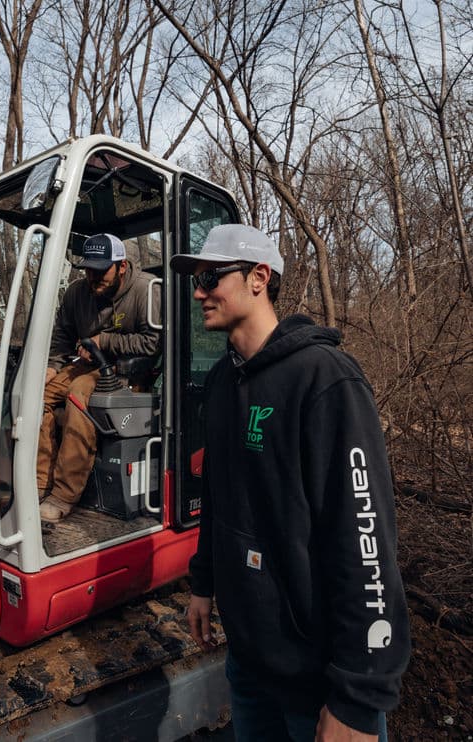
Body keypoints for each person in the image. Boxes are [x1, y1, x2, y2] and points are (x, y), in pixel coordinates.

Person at [170, 224, 409, 742]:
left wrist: (358, 699)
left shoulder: (325, 380)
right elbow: (219, 498)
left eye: (211, 276)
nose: (198, 291)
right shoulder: (221, 383)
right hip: (250, 665)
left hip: (317, 679)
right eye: (196, 278)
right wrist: (204, 585)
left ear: (259, 277)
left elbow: (364, 540)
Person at [37, 233, 161, 523]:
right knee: (37, 395)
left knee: (78, 395)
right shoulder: (76, 293)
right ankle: (40, 482)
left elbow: (153, 344)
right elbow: (62, 336)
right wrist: (53, 367)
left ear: (121, 266)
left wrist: (104, 341)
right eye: (88, 269)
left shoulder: (144, 290)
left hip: (125, 370)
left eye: (101, 270)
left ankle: (64, 495)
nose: (93, 277)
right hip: (85, 363)